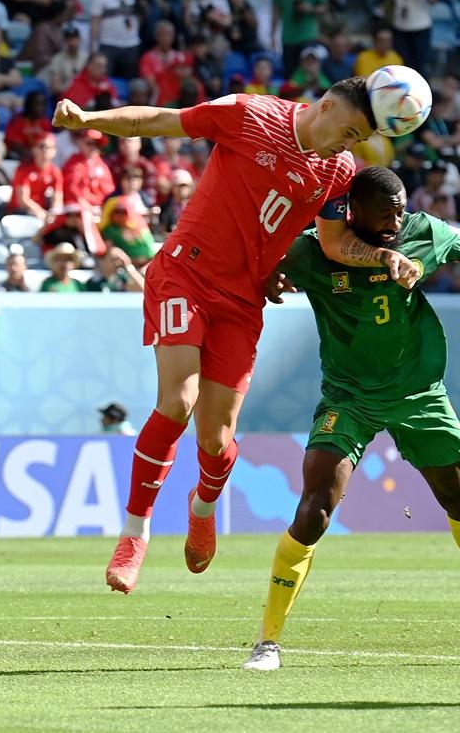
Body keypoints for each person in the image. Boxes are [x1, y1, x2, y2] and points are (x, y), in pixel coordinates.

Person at [52, 78, 422, 595]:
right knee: (177, 400)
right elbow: (158, 119)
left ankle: (202, 509)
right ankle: (134, 533)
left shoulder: (338, 171)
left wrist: (383, 256)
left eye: (361, 138)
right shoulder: (248, 116)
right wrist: (88, 121)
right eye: (350, 130)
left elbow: (335, 245)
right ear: (327, 105)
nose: (350, 143)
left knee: (216, 438)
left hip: (243, 299)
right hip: (184, 273)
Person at [245, 165, 460, 671]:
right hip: (347, 398)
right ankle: (268, 641)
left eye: (400, 209)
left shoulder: (423, 232)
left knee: (459, 495)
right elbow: (259, 266)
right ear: (352, 212)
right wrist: (270, 278)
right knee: (314, 509)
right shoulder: (312, 249)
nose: (396, 221)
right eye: (385, 213)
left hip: (418, 393)